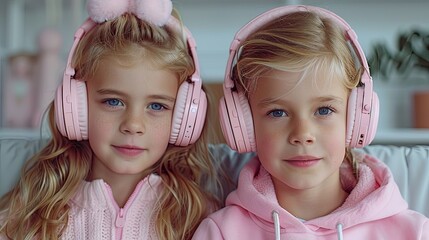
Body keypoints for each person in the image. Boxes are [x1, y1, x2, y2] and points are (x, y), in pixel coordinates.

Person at [193, 5, 429, 240]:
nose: (302, 133)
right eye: (277, 113)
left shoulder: (413, 232)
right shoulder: (220, 232)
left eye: (324, 110)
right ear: (244, 125)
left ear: (357, 118)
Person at [0, 0, 220, 239]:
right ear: (76, 105)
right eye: (113, 102)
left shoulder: (199, 219)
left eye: (157, 106)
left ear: (185, 118)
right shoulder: (29, 212)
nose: (133, 125)